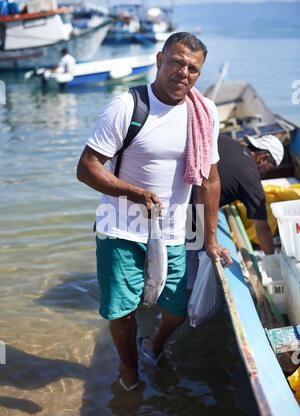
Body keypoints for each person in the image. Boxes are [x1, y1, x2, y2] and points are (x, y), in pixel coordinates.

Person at [77, 32, 232, 392]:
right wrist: (132, 192)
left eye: (193, 69)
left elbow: (210, 180)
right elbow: (87, 168)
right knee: (122, 311)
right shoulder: (126, 106)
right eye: (177, 62)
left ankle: (156, 344)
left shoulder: (204, 111)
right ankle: (129, 370)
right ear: (160, 59)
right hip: (121, 229)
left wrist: (209, 239)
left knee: (178, 308)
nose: (184, 73)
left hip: (176, 231)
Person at [217, 134, 284, 254]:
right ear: (263, 158)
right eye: (269, 168)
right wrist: (273, 261)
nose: (265, 174)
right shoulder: (252, 180)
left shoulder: (225, 140)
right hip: (190, 209)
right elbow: (262, 230)